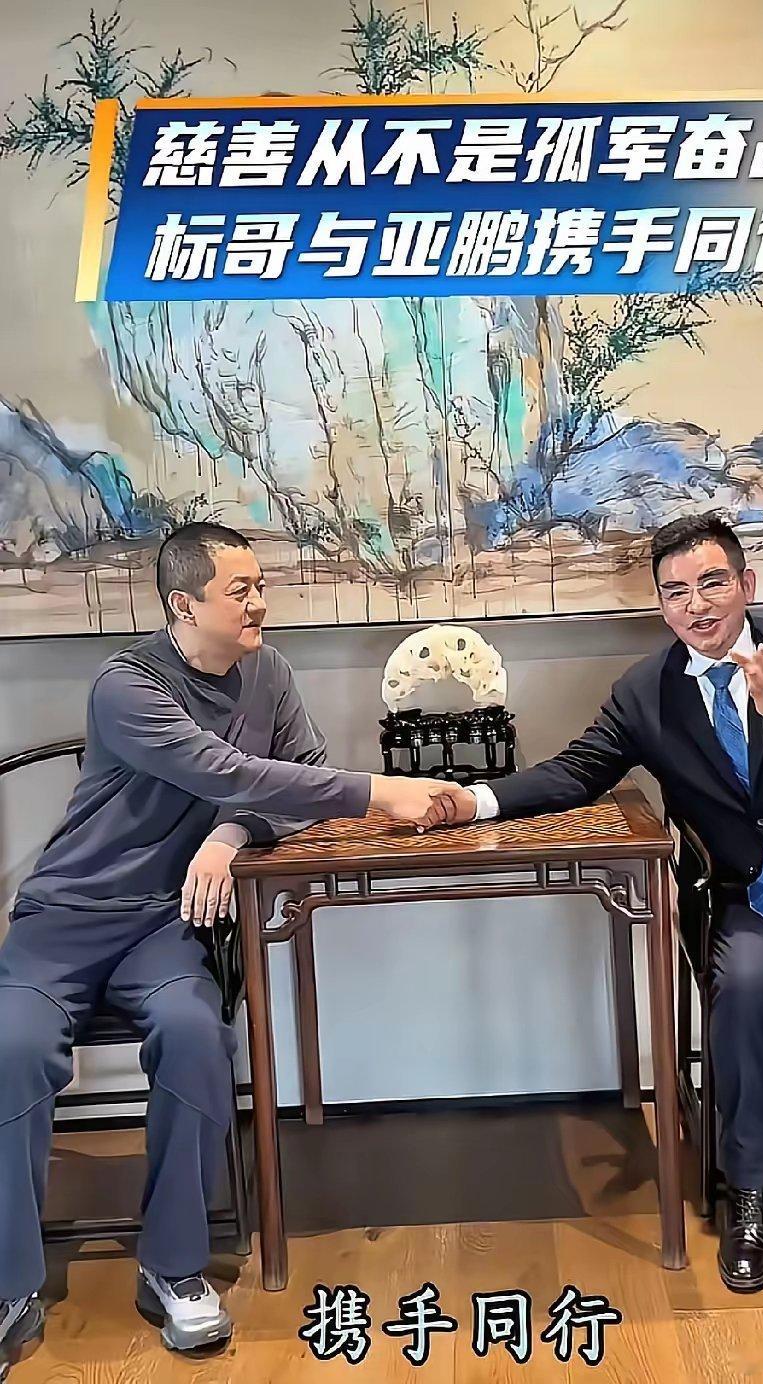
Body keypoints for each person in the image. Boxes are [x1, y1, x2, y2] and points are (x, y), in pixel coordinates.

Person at [422, 513, 763, 1294]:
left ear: (746, 584)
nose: (697, 604)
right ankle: (749, 1192)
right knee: (742, 996)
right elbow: (576, 772)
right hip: (747, 897)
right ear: (661, 604)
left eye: (712, 583)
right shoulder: (645, 692)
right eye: (676, 591)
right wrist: (474, 799)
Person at [0, 522, 445, 1364]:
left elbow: (294, 780)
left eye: (260, 586)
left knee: (195, 1034)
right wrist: (377, 790)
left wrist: (230, 835)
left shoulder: (268, 674)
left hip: (167, 923)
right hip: (64, 919)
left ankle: (173, 1268)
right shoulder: (126, 685)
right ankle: (7, 1282)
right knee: (12, 1047)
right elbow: (224, 769)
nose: (260, 604)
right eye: (241, 591)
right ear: (183, 603)